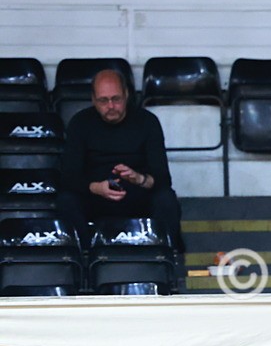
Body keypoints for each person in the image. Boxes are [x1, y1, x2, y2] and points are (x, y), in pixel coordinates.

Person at [57, 69, 182, 249]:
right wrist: (96, 187)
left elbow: (163, 178)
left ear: (126, 95)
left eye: (116, 99)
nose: (110, 106)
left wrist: (139, 178)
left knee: (166, 199)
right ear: (93, 99)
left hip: (137, 196)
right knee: (66, 200)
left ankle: (167, 256)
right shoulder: (80, 123)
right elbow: (68, 177)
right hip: (96, 197)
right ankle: (83, 258)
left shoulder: (147, 121)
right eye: (103, 100)